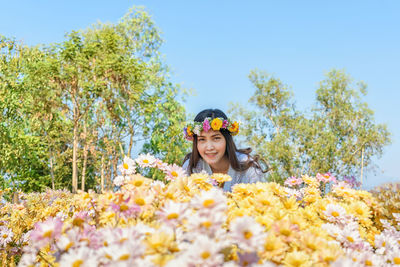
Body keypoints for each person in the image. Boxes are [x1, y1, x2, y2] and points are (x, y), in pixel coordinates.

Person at [182, 108, 265, 192]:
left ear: (227, 140)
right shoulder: (190, 168)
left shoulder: (248, 168)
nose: (209, 147)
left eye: (216, 138)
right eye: (202, 139)